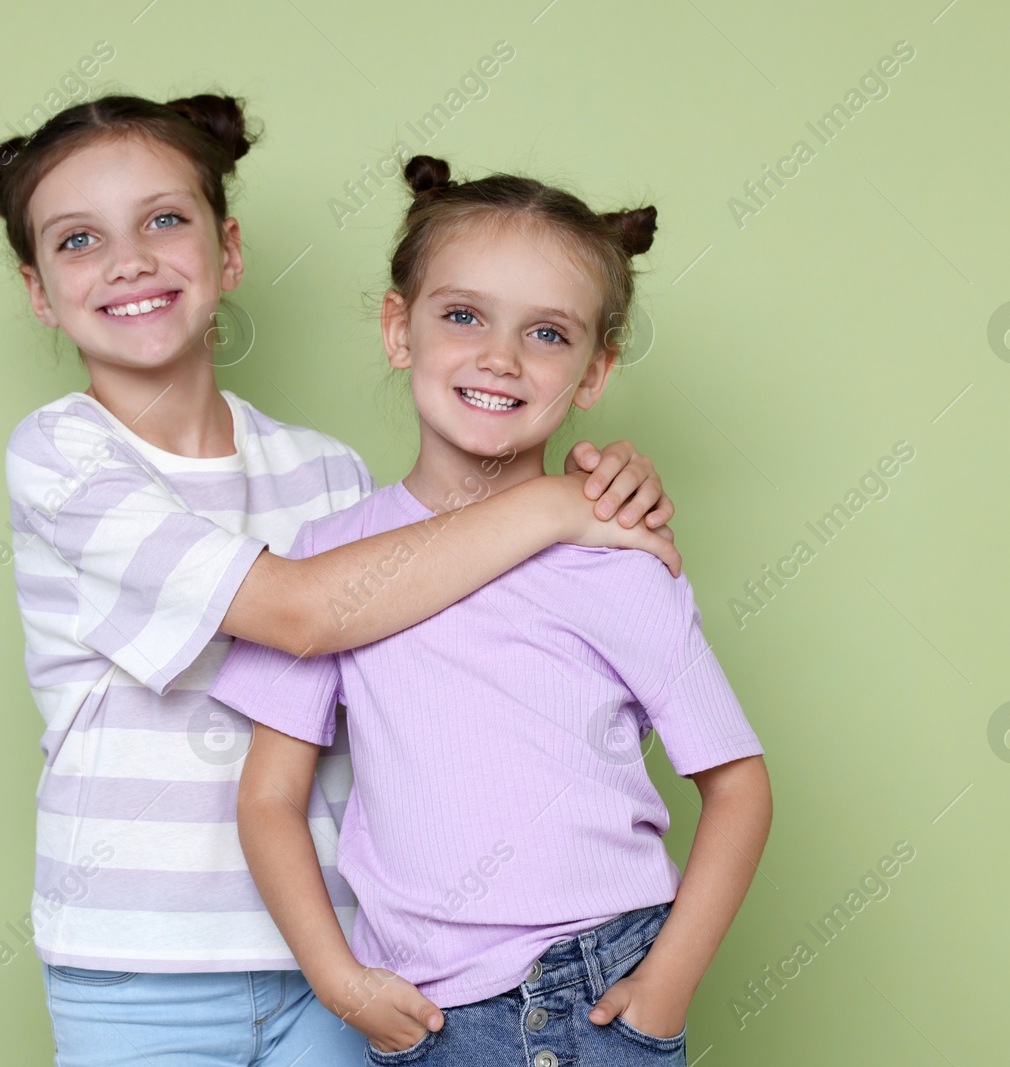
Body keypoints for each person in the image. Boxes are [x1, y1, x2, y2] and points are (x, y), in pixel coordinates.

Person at [0, 93, 682, 1066]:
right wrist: (563, 504)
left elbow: (462, 646)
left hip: (345, 960)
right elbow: (301, 612)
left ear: (226, 251)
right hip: (139, 962)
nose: (129, 258)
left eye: (164, 219)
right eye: (78, 239)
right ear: (37, 288)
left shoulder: (328, 473)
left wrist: (608, 494)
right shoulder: (59, 456)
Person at [214, 155, 773, 1066]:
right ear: (400, 328)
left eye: (548, 334)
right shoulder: (328, 561)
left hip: (598, 990)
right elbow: (269, 798)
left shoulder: (619, 555)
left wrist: (664, 992)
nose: (500, 358)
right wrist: (335, 975)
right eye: (463, 315)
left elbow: (740, 784)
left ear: (594, 371)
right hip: (425, 1015)